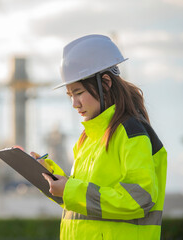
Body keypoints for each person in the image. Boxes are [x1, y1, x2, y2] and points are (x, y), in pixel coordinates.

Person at [31, 34, 167, 240]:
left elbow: (140, 199)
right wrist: (50, 176)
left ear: (105, 83)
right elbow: (82, 202)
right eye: (70, 96)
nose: (74, 104)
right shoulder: (87, 139)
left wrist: (70, 190)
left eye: (78, 93)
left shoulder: (131, 132)